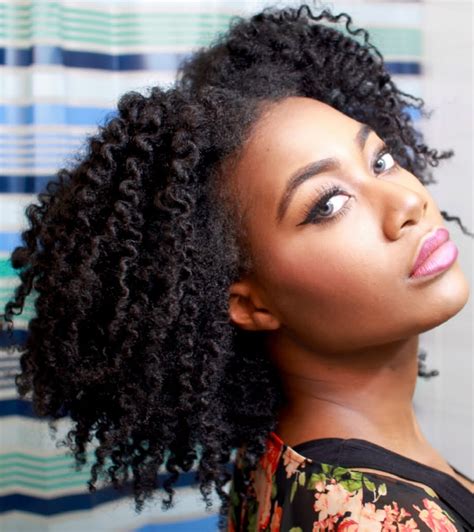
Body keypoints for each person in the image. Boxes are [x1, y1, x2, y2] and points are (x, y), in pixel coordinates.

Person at [1, 4, 473, 531]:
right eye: (328, 204)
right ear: (249, 304)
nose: (405, 203)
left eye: (380, 161)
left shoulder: (287, 454)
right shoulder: (380, 521)